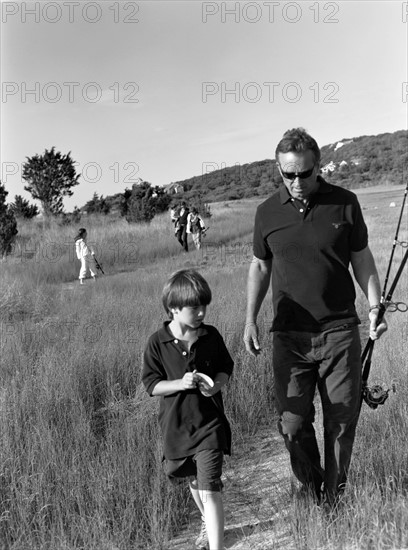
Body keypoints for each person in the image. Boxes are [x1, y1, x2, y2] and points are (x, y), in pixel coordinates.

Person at [243, 128, 387, 507]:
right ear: (278, 170)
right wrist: (249, 320)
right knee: (292, 424)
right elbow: (260, 266)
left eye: (304, 173)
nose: (297, 182)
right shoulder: (266, 212)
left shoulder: (345, 203)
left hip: (339, 331)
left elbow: (361, 257)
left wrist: (374, 306)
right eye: (288, 174)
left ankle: (334, 498)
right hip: (289, 337)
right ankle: (311, 488)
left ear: (318, 167)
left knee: (340, 423)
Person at [143, 269, 233, 550]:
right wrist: (179, 384)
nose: (202, 312)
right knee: (192, 479)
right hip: (176, 426)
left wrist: (217, 385)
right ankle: (207, 520)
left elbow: (225, 367)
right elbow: (151, 385)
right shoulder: (157, 343)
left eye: (204, 305)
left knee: (210, 486)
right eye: (194, 307)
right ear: (173, 309)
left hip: (209, 425)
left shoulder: (211, 335)